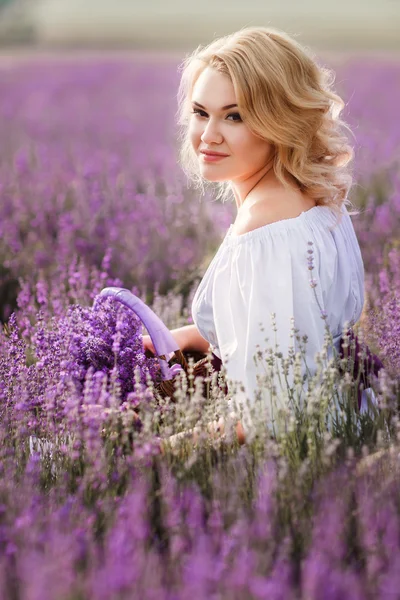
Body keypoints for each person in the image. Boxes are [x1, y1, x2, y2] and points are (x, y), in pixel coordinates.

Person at [143, 25, 380, 446]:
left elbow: (272, 418)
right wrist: (181, 337)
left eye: (234, 116)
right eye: (201, 112)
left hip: (305, 457)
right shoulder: (318, 199)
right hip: (352, 417)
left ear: (279, 122)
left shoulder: (266, 235)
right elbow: (290, 327)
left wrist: (155, 453)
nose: (209, 135)